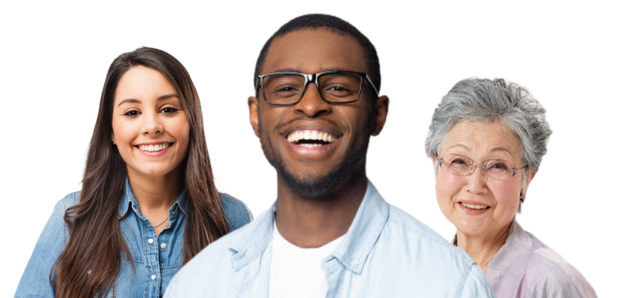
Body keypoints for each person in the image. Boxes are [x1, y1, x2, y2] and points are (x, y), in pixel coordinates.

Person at [164, 13, 495, 297]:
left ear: (378, 114)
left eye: (338, 87)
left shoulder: (448, 283)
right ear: (254, 115)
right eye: (286, 88)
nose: (310, 104)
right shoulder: (199, 284)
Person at [14, 46, 253, 298]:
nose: (151, 126)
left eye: (168, 109)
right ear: (111, 130)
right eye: (132, 113)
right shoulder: (70, 219)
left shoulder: (235, 220)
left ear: (192, 120)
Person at [424, 76, 598, 297]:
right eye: (459, 161)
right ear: (435, 166)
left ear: (527, 178)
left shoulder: (552, 283)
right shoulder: (422, 270)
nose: (476, 185)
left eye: (498, 166)